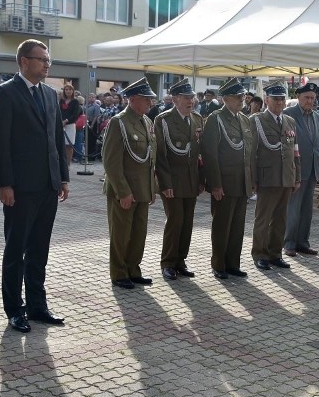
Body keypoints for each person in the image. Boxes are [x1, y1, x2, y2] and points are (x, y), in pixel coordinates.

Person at [0, 39, 69, 333]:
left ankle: (37, 305)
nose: (47, 64)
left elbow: (56, 139)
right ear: (23, 61)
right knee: (16, 249)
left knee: (39, 249)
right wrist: (5, 183)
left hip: (47, 185)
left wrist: (63, 176)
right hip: (21, 188)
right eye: (41, 59)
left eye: (49, 60)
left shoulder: (49, 93)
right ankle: (14, 309)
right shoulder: (5, 93)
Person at [103, 77, 158, 289]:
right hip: (123, 190)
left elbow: (150, 158)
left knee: (138, 234)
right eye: (146, 99)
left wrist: (152, 188)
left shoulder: (147, 122)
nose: (150, 104)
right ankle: (119, 273)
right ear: (133, 99)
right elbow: (111, 161)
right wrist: (123, 191)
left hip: (142, 189)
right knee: (121, 234)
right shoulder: (119, 122)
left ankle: (133, 269)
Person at [202, 78, 253, 279]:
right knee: (222, 226)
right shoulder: (216, 118)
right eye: (237, 96)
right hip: (224, 182)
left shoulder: (243, 118)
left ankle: (233, 263)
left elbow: (249, 152)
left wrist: (251, 180)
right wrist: (215, 184)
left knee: (238, 227)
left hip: (242, 182)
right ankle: (219, 264)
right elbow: (210, 154)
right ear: (225, 98)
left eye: (242, 96)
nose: (242, 99)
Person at [153, 78, 203, 281]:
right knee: (175, 221)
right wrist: (165, 183)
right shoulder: (163, 120)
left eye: (191, 97)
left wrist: (202, 179)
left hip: (191, 179)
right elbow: (161, 155)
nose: (190, 101)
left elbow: (201, 153)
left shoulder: (198, 119)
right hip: (172, 180)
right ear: (175, 99)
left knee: (187, 222)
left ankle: (181, 260)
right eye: (185, 97)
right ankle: (168, 262)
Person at [250, 82, 300, 271]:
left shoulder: (289, 121)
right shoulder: (257, 120)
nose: (279, 102)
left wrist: (297, 177)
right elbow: (252, 152)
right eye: (275, 99)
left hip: (286, 177)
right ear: (266, 99)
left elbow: (296, 152)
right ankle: (259, 253)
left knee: (280, 218)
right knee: (263, 219)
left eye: (282, 99)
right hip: (267, 176)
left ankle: (275, 254)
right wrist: (253, 179)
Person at [283, 82, 319, 256]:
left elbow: (318, 143)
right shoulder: (288, 115)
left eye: (313, 98)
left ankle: (303, 242)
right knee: (293, 208)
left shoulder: (316, 116)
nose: (310, 101)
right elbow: (286, 145)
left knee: (307, 209)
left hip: (313, 168)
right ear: (298, 97)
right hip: (297, 169)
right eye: (307, 97)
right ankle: (289, 243)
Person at [59, 83, 81, 168]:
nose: (68, 91)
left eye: (70, 89)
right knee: (62, 144)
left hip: (70, 125)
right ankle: (62, 163)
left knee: (69, 145)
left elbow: (75, 114)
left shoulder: (75, 101)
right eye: (66, 89)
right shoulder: (61, 101)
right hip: (61, 124)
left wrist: (66, 121)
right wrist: (61, 121)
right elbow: (59, 111)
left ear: (73, 91)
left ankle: (67, 164)